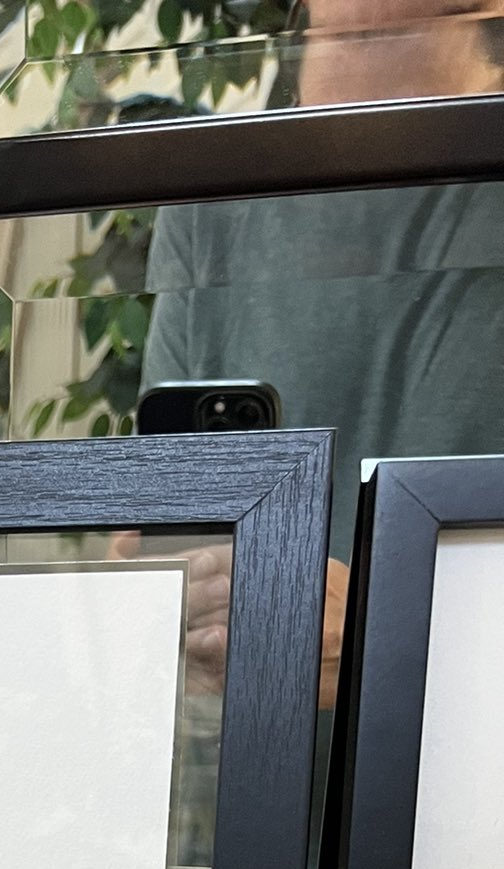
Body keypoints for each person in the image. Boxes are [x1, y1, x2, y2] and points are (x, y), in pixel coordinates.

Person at [140, 0, 504, 709]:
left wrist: (390, 638)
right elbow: (168, 549)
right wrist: (160, 602)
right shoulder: (212, 201)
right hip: (249, 756)